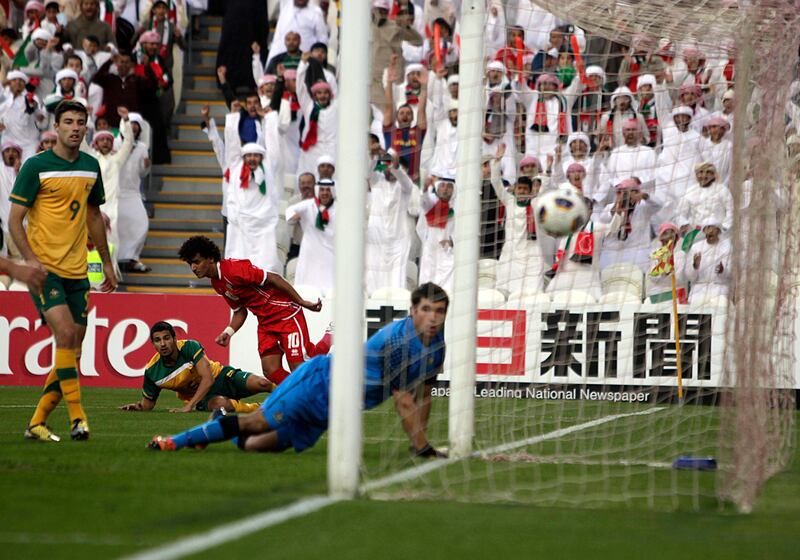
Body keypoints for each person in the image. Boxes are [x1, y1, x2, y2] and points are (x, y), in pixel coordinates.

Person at [148, 283, 449, 456]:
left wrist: (417, 440)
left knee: (257, 446)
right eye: (425, 310)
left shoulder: (437, 348)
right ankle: (174, 441)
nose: (432, 318)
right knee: (257, 423)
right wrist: (422, 448)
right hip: (318, 383)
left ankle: (218, 424)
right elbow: (404, 399)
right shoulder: (397, 341)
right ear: (412, 312)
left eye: (439, 311)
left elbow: (423, 394)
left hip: (332, 409)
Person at [8, 100, 117, 442]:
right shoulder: (36, 167)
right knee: (66, 335)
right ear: (55, 126)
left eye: (80, 122)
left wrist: (107, 262)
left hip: (78, 272)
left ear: (86, 127)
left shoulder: (90, 166)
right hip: (45, 270)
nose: (74, 127)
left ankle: (36, 423)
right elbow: (14, 220)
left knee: (72, 349)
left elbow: (94, 216)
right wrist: (30, 260)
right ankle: (78, 418)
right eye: (68, 121)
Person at [177, 235, 331, 386]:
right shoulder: (217, 283)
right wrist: (228, 332)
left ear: (210, 258)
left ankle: (329, 337)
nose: (193, 268)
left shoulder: (233, 269)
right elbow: (239, 311)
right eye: (191, 264)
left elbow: (273, 278)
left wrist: (301, 301)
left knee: (299, 367)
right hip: (265, 323)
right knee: (270, 370)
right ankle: (298, 394)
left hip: (285, 314)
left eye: (197, 262)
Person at [120, 321, 274, 414]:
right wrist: (139, 406)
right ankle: (260, 409)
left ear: (174, 338)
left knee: (263, 383)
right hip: (204, 398)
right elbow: (148, 404)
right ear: (153, 344)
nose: (163, 344)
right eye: (157, 340)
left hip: (222, 377)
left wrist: (189, 407)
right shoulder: (153, 372)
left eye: (166, 338)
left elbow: (208, 379)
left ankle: (295, 395)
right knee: (221, 406)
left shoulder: (189, 347)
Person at [285, 178, 335, 294]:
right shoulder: (309, 205)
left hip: (330, 254)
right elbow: (289, 211)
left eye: (328, 190)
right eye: (322, 190)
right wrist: (294, 216)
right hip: (310, 254)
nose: (325, 193)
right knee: (307, 289)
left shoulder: (339, 208)